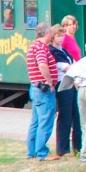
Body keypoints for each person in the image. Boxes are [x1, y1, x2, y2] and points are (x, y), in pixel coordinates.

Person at [25, 23, 60, 161]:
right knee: (45, 121)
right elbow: (42, 64)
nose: (51, 35)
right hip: (43, 90)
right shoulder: (41, 48)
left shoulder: (33, 46)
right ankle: (42, 153)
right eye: (50, 33)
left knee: (36, 121)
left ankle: (31, 151)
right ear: (46, 33)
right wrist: (50, 81)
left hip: (35, 88)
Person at [49, 24, 80, 157]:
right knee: (65, 116)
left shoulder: (64, 51)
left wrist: (73, 66)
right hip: (62, 86)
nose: (61, 38)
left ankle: (78, 147)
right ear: (52, 37)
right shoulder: (53, 52)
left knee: (76, 116)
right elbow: (68, 67)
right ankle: (62, 148)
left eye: (62, 35)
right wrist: (73, 67)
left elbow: (74, 64)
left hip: (71, 83)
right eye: (58, 35)